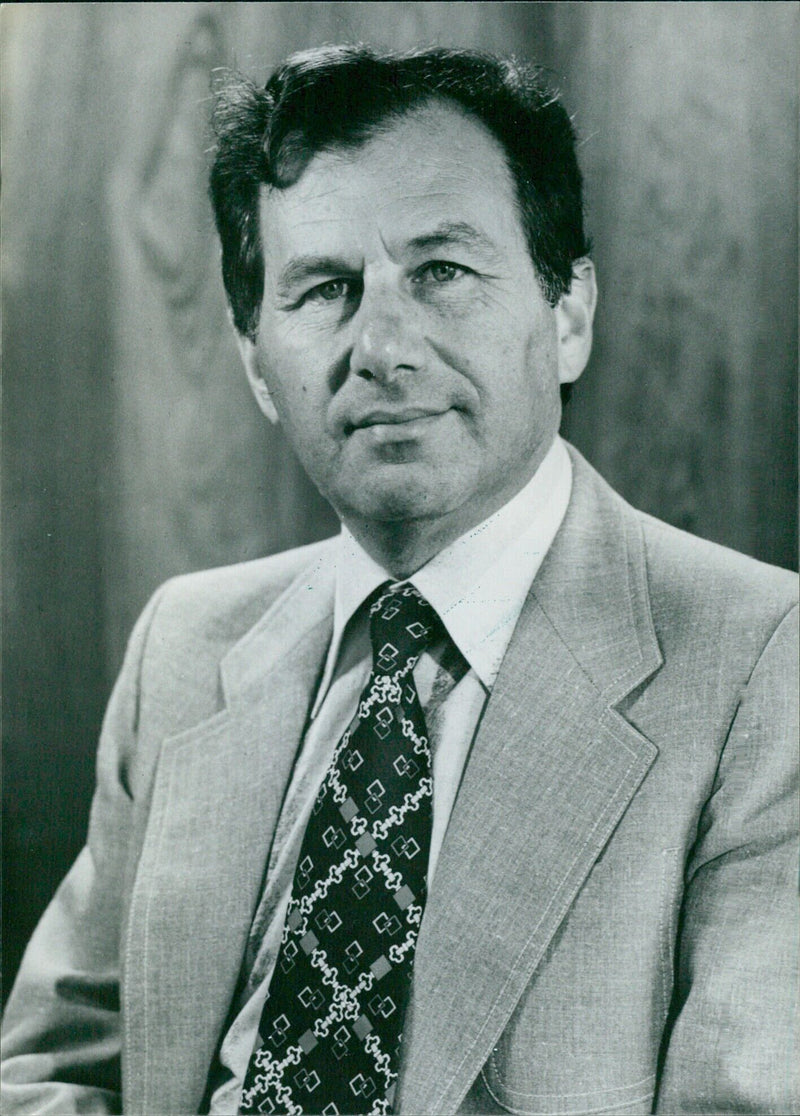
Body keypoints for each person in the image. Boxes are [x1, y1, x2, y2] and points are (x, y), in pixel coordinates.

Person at [2, 44, 797, 1116]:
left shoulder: (761, 665)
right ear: (253, 363)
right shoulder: (186, 646)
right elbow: (50, 1073)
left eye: (442, 272)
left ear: (566, 315)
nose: (380, 345)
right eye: (326, 289)